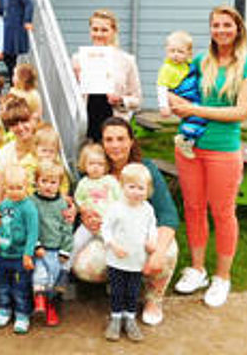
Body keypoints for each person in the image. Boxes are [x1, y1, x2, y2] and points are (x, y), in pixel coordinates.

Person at [170, 5, 247, 308]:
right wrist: (172, 100)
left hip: (223, 149)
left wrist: (196, 110)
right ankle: (198, 270)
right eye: (216, 25)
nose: (221, 30)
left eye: (227, 25)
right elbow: (178, 91)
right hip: (189, 147)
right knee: (194, 208)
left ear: (238, 29)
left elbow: (242, 112)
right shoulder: (200, 61)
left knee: (222, 212)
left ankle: (222, 277)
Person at [71, 117, 179, 327]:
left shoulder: (145, 169)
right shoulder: (94, 169)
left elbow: (168, 215)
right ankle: (119, 282)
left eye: (121, 139)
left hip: (140, 237)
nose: (115, 145)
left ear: (131, 141)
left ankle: (153, 299)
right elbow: (77, 201)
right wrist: (83, 214)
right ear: (102, 143)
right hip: (109, 239)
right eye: (109, 139)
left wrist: (157, 253)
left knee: (167, 250)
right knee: (84, 265)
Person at [102, 163, 157, 342]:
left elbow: (152, 227)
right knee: (117, 290)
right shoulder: (116, 208)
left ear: (147, 190)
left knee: (133, 291)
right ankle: (116, 318)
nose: (136, 192)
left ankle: (130, 318)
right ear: (123, 187)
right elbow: (106, 228)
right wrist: (113, 245)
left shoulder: (147, 209)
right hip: (117, 259)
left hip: (137, 260)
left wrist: (152, 240)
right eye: (131, 187)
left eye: (141, 188)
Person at [72, 9, 142, 142]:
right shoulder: (78, 59)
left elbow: (137, 100)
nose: (99, 34)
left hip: (114, 127)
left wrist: (120, 100)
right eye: (95, 29)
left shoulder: (126, 60)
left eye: (104, 30)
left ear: (114, 31)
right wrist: (75, 78)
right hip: (86, 125)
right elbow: (68, 98)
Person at [0, 165, 39, 335]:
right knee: (3, 284)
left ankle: (22, 314)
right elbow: (2, 224)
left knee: (21, 286)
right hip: (3, 254)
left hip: (20, 256)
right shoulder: (5, 205)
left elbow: (33, 233)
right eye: (11, 188)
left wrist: (28, 254)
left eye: (19, 187)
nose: (15, 192)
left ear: (27, 186)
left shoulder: (29, 208)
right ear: (5, 188)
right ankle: (4, 308)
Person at [31, 161, 74, 327]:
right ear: (36, 181)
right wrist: (36, 245)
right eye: (44, 181)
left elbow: (67, 228)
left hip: (56, 249)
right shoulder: (32, 202)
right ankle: (39, 303)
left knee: (52, 280)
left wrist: (65, 249)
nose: (48, 186)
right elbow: (30, 225)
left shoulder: (62, 204)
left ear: (59, 184)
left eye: (53, 182)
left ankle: (51, 307)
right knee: (39, 275)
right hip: (39, 249)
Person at [70, 141, 122, 269]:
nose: (96, 167)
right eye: (92, 163)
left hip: (107, 225)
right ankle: (65, 269)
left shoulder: (110, 181)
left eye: (100, 164)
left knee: (113, 248)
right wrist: (83, 208)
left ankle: (117, 272)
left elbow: (120, 200)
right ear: (84, 165)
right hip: (88, 224)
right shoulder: (84, 183)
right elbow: (78, 199)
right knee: (75, 243)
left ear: (106, 166)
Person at [0, 97, 38, 205]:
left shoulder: (45, 150)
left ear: (33, 120)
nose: (20, 128)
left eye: (24, 121)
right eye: (14, 124)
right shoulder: (3, 155)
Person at [0, 0, 34, 81]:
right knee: (8, 56)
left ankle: (14, 78)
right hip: (10, 26)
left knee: (10, 56)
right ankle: (13, 77)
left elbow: (29, 3)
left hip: (16, 28)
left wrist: (27, 20)